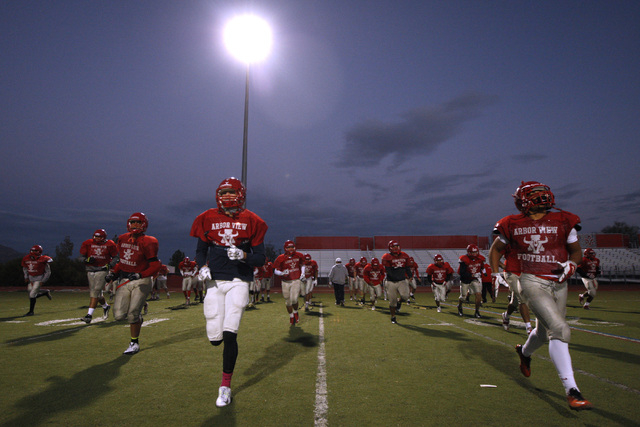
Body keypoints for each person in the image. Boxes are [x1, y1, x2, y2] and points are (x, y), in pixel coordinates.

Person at [489, 180, 592, 411]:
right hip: (532, 280)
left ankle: (524, 353)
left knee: (544, 333)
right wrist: (496, 273)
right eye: (535, 193)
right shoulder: (511, 223)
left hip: (559, 283)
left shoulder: (565, 219)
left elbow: (576, 253)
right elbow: (496, 249)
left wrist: (572, 265)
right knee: (560, 329)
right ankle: (572, 390)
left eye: (543, 192)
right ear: (522, 200)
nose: (542, 196)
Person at [190, 177, 268, 408]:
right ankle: (220, 338)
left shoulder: (253, 220)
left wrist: (244, 256)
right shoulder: (206, 217)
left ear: (241, 193)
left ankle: (225, 386)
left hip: (239, 280)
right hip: (215, 280)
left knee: (230, 333)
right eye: (222, 192)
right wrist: (201, 267)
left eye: (230, 192)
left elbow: (261, 258)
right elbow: (200, 250)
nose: (226, 196)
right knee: (215, 337)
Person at [105, 212, 161, 355]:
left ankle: (134, 343)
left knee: (132, 314)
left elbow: (155, 265)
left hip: (141, 279)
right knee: (118, 316)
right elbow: (122, 261)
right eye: (133, 222)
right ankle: (139, 319)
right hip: (125, 279)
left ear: (144, 225)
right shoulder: (123, 238)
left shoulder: (149, 241)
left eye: (138, 222)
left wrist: (140, 274)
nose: (135, 225)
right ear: (128, 224)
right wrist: (114, 273)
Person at [79, 229, 118, 323]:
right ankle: (105, 306)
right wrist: (86, 260)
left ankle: (89, 315)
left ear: (104, 237)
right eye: (96, 236)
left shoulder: (110, 244)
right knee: (97, 293)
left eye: (99, 237)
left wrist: (110, 265)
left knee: (95, 291)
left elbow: (116, 257)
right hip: (90, 270)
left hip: (102, 269)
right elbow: (81, 257)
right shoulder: (87, 243)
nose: (97, 238)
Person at [496, 245, 532, 334]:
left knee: (514, 302)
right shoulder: (508, 244)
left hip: (524, 273)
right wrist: (504, 266)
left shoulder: (527, 243)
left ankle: (506, 316)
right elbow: (494, 256)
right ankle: (529, 327)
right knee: (522, 298)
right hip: (511, 272)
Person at [273, 240, 305, 325]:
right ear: (285, 248)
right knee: (288, 301)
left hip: (295, 280)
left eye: (292, 247)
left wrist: (303, 273)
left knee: (294, 299)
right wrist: (281, 273)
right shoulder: (280, 258)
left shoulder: (299, 255)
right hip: (285, 282)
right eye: (288, 247)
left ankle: (295, 312)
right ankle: (291, 316)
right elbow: (275, 270)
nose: (291, 249)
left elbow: (303, 265)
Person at [381, 240, 412, 324]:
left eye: (396, 246)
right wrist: (396, 276)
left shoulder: (404, 255)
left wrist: (410, 275)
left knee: (405, 297)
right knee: (392, 302)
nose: (395, 248)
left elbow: (407, 267)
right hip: (391, 281)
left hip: (402, 280)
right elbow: (388, 270)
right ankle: (393, 317)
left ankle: (399, 301)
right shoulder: (386, 256)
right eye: (393, 247)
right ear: (389, 248)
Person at [21, 245, 53, 316]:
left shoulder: (43, 258)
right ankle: (45, 293)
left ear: (39, 251)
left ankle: (31, 312)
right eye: (32, 250)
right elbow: (25, 268)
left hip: (39, 278)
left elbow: (48, 271)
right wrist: (26, 277)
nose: (33, 252)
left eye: (35, 251)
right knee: (31, 294)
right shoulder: (26, 258)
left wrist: (43, 280)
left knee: (32, 294)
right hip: (31, 278)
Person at [457, 244, 486, 318]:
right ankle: (459, 306)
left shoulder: (480, 258)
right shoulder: (464, 259)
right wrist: (472, 275)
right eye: (473, 252)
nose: (474, 254)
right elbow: (462, 273)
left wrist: (484, 272)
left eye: (475, 252)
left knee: (478, 294)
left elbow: (482, 267)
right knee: (463, 297)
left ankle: (477, 311)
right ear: (469, 252)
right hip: (465, 280)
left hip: (474, 279)